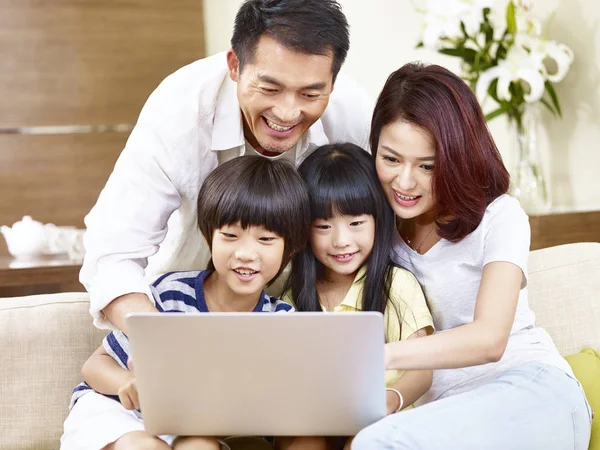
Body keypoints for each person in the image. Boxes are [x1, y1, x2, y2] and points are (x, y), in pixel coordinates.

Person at [80, 0, 373, 334]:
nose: (288, 113)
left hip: (297, 309)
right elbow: (113, 252)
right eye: (270, 88)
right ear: (235, 66)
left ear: (333, 83)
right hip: (183, 306)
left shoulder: (354, 115)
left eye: (309, 95)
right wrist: (161, 340)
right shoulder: (179, 112)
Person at [351, 63, 593, 449]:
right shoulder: (371, 233)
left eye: (427, 166)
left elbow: (489, 339)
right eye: (391, 159)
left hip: (534, 392)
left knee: (378, 442)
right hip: (449, 416)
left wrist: (376, 355)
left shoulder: (500, 217)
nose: (405, 181)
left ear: (457, 159)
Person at [61, 156, 311, 450]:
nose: (245, 253)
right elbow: (94, 366)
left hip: (188, 426)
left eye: (265, 239)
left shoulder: (282, 322)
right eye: (230, 236)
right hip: (117, 413)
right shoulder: (171, 295)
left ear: (291, 247)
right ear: (208, 238)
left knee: (200, 445)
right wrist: (126, 383)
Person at [280, 144, 434, 450]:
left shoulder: (396, 285)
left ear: (378, 219)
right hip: (321, 417)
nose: (341, 241)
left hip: (387, 417)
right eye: (323, 226)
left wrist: (389, 401)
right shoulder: (291, 297)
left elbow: (423, 370)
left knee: (364, 439)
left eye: (356, 224)